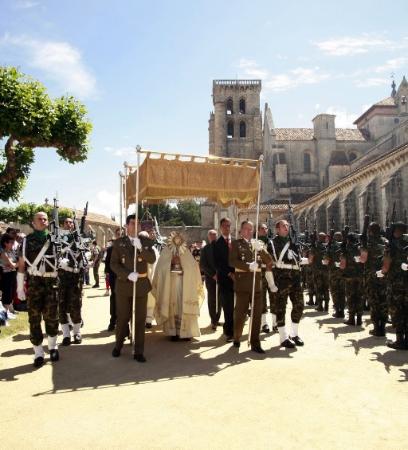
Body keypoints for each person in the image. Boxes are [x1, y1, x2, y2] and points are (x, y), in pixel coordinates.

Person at [110, 214, 156, 362]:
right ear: (126, 226)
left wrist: (141, 248)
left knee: (140, 319)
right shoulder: (118, 243)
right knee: (123, 317)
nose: (135, 226)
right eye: (132, 223)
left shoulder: (146, 242)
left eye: (138, 224)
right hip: (124, 286)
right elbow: (114, 264)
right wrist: (128, 274)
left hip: (141, 286)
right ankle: (118, 345)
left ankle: (139, 351)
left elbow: (152, 259)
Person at [17, 212, 60, 368]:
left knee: (52, 317)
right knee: (34, 319)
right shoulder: (26, 241)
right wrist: (20, 288)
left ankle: (53, 347)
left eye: (45, 219)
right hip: (35, 285)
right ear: (33, 223)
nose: (43, 221)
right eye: (39, 219)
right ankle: (38, 353)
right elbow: (21, 266)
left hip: (51, 284)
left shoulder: (55, 240)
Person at [229, 221, 274, 353]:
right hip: (242, 285)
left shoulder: (258, 244)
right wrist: (248, 266)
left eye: (251, 229)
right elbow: (232, 261)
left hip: (257, 285)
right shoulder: (236, 244)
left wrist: (261, 250)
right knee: (240, 314)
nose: (249, 232)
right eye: (246, 229)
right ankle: (237, 336)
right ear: (241, 231)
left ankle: (255, 342)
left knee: (257, 315)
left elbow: (269, 261)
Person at [153, 231, 204, 341]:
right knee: (172, 306)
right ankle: (173, 332)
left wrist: (182, 263)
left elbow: (193, 267)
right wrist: (170, 262)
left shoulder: (186, 252)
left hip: (184, 283)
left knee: (183, 305)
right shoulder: (166, 251)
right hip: (170, 284)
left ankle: (186, 332)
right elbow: (160, 268)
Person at [271, 220, 306, 348]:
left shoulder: (294, 243)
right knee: (281, 308)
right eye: (283, 226)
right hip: (281, 280)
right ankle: (283, 337)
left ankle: (294, 334)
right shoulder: (273, 243)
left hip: (296, 279)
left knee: (299, 305)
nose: (286, 228)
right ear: (277, 229)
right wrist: (271, 283)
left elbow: (298, 260)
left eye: (287, 226)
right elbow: (269, 263)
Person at [58, 217, 86, 346]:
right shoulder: (57, 238)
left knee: (76, 306)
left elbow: (84, 254)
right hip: (62, 277)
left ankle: (77, 332)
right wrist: (59, 261)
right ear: (62, 224)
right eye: (67, 222)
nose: (69, 224)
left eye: (71, 222)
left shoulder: (78, 238)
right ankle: (65, 335)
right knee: (62, 306)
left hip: (75, 278)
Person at [381, 222, 408, 349]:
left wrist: (382, 272)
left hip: (396, 283)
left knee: (396, 310)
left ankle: (399, 340)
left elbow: (386, 265)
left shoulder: (390, 245)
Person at [359, 222, 387, 337]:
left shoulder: (368, 243)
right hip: (383, 274)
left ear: (370, 231)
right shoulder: (385, 241)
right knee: (383, 300)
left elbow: (363, 259)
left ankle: (377, 328)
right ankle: (383, 327)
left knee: (374, 301)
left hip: (371, 275)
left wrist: (361, 248)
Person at [213, 218, 235, 342]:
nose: (227, 228)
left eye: (229, 225)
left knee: (238, 307)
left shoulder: (236, 242)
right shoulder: (217, 243)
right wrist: (229, 273)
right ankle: (228, 332)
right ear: (220, 227)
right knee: (228, 307)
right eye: (225, 226)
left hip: (238, 279)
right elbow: (217, 263)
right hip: (225, 280)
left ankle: (235, 328)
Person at [200, 229, 221, 330]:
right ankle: (213, 320)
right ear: (208, 237)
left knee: (220, 299)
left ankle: (217, 318)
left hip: (221, 278)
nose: (213, 236)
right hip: (211, 279)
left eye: (215, 235)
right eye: (211, 235)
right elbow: (203, 265)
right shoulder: (205, 249)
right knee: (212, 299)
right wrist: (213, 275)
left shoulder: (222, 248)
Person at [0, 233, 18, 319]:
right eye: (11, 242)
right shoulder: (3, 253)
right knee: (7, 294)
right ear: (5, 243)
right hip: (6, 276)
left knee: (11, 294)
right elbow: (13, 265)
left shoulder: (10, 252)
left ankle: (7, 312)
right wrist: (17, 263)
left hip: (12, 274)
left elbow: (14, 264)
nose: (13, 244)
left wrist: (15, 264)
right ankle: (4, 315)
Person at [104, 240, 116, 331]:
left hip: (124, 279)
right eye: (118, 234)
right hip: (113, 278)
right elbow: (107, 263)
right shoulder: (110, 249)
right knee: (114, 299)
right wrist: (108, 274)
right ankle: (112, 321)